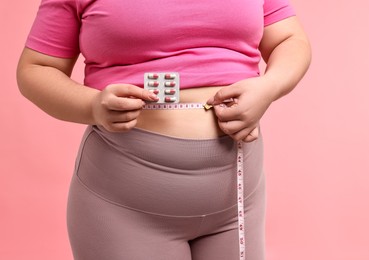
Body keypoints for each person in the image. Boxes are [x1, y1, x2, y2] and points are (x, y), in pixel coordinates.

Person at [17, 0, 311, 259]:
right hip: (124, 203)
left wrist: (269, 87)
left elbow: (289, 38)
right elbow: (36, 68)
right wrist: (92, 105)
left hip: (236, 199)